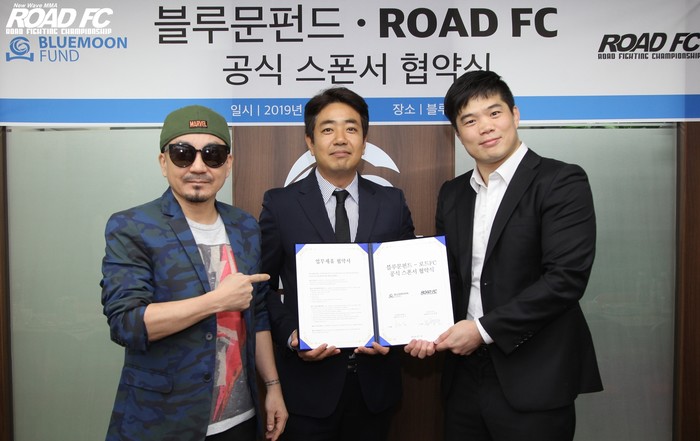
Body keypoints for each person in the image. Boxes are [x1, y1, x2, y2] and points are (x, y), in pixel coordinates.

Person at [405, 70, 603, 440]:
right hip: (464, 376)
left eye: (494, 113)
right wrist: (421, 327)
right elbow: (448, 277)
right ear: (457, 133)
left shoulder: (560, 181)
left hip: (534, 374)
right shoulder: (453, 194)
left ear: (515, 114)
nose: (485, 127)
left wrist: (482, 331)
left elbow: (565, 279)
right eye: (470, 120)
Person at [101, 105, 287, 441]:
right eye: (183, 154)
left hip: (240, 419)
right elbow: (127, 323)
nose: (198, 166)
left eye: (213, 155)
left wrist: (272, 386)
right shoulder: (133, 227)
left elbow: (257, 314)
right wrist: (217, 300)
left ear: (228, 164)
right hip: (162, 422)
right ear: (163, 162)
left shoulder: (245, 226)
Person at [259, 87, 415, 441]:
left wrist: (396, 334)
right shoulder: (281, 205)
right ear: (310, 142)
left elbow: (404, 283)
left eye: (351, 128)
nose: (340, 138)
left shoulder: (392, 202)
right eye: (328, 129)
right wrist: (291, 335)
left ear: (364, 141)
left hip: (376, 386)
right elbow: (261, 286)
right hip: (306, 388)